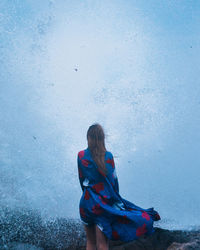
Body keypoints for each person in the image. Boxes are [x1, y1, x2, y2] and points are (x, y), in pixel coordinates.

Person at [77, 123, 161, 250]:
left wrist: (87, 196)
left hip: (87, 203)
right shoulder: (108, 156)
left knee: (91, 242)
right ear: (102, 138)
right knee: (103, 244)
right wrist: (115, 202)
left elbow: (81, 179)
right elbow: (113, 182)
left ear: (88, 137)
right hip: (103, 205)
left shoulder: (81, 155)